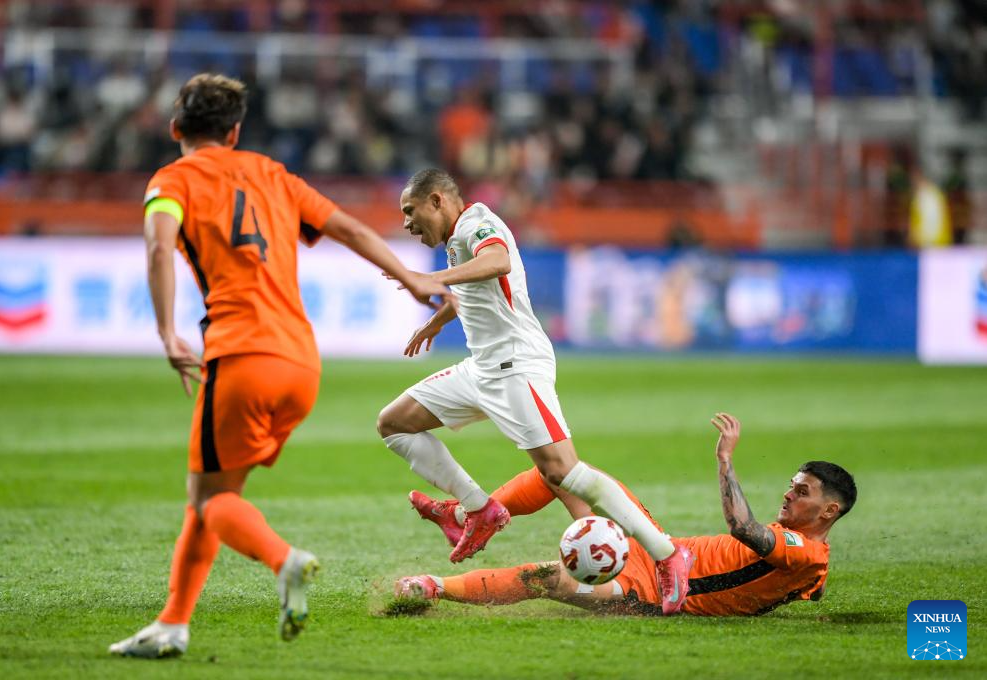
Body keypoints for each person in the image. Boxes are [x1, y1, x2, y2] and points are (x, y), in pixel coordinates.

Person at [109, 74, 451, 659]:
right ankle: (172, 624)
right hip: (301, 363)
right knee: (217, 494)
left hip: (241, 355)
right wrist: (412, 277)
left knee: (209, 499)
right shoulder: (272, 173)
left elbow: (159, 246)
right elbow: (347, 228)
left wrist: (166, 331)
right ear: (235, 131)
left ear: (175, 128)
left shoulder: (171, 181)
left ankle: (283, 561)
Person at [375, 168, 693, 615]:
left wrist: (433, 279)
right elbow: (477, 291)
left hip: (515, 367)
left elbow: (498, 261)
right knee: (393, 423)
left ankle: (668, 554)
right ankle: (478, 509)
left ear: (437, 201)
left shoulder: (476, 222)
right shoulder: (456, 239)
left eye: (411, 211)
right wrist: (437, 320)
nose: (407, 223)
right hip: (482, 368)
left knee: (563, 471)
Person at [396, 413, 857, 617]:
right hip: (658, 550)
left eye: (802, 492)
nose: (788, 494)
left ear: (830, 510)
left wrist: (724, 460)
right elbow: (808, 586)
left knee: (545, 578)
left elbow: (742, 527)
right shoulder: (808, 561)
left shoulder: (805, 552)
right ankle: (468, 515)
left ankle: (433, 587)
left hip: (652, 591)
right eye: (792, 485)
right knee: (561, 473)